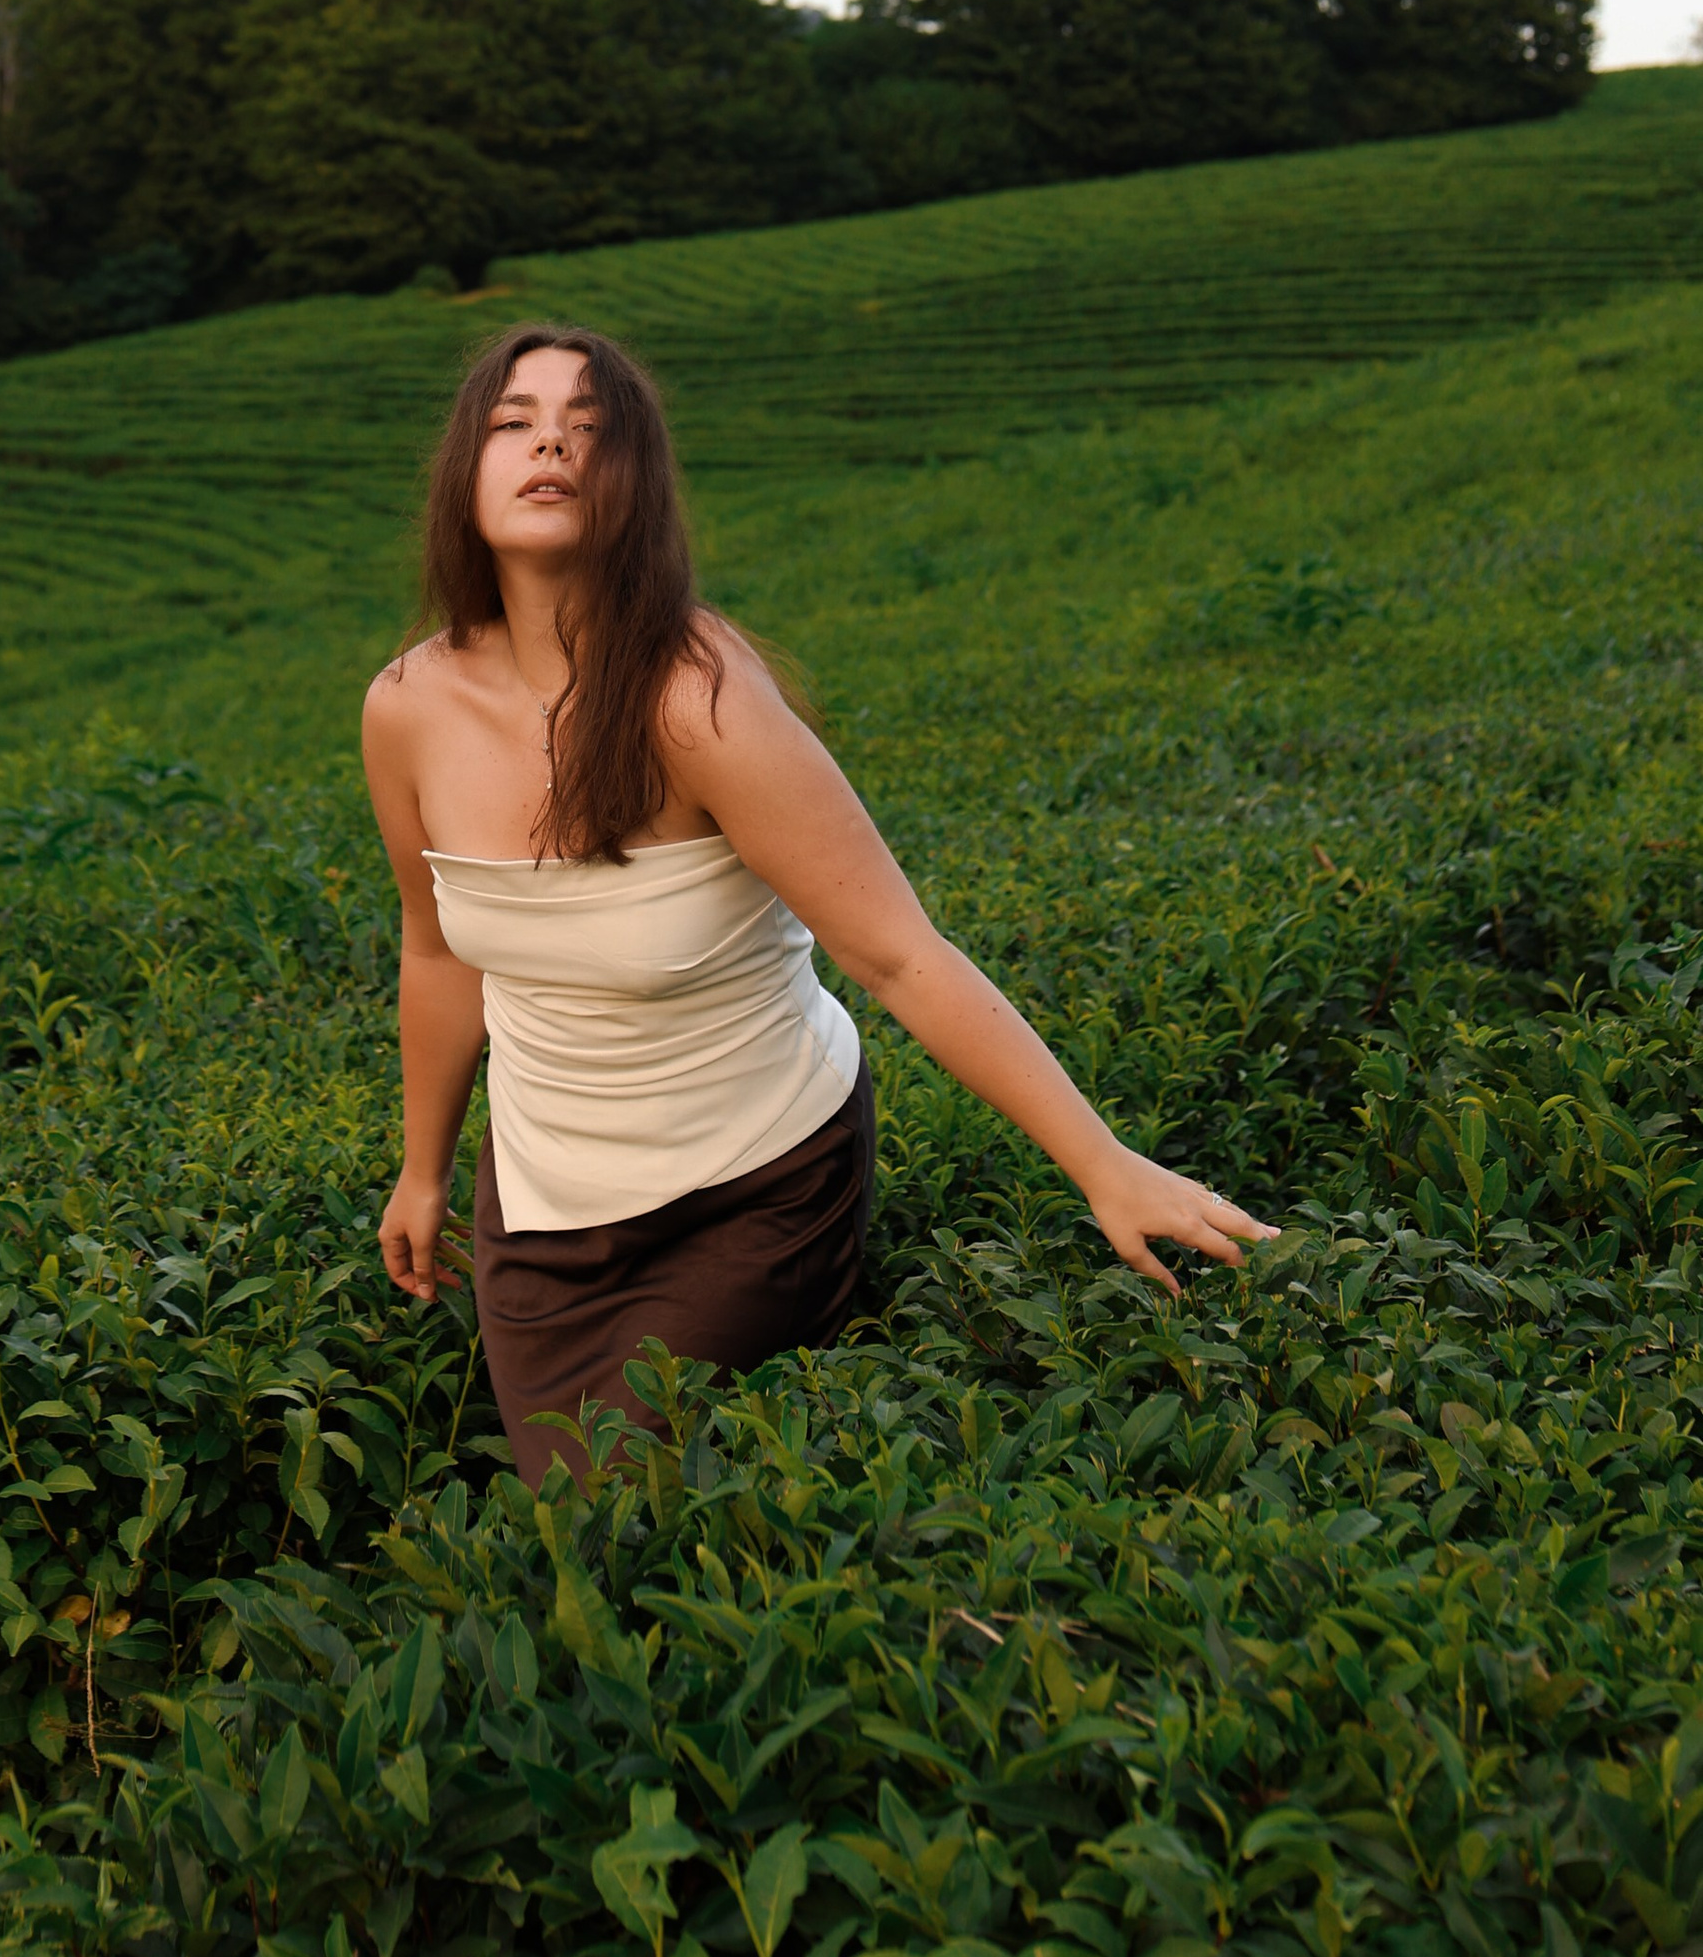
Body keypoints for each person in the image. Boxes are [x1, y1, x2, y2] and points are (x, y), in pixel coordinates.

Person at [366, 325, 1276, 1483]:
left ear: (636, 487)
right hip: (541, 1210)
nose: (551, 442)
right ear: (465, 471)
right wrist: (425, 1172)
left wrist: (1105, 1166)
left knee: (623, 1499)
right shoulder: (407, 708)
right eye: (515, 422)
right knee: (571, 1514)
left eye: (589, 428)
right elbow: (438, 951)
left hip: (750, 1184)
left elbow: (897, 956)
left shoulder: (695, 702)